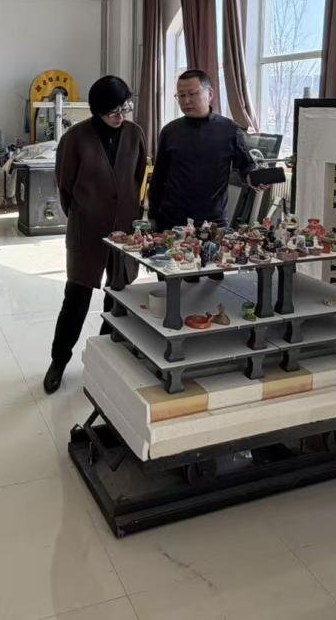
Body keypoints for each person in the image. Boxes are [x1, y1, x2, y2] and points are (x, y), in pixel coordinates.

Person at [43, 75, 147, 394]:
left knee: (118, 297)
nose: (121, 116)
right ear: (96, 112)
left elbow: (138, 177)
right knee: (76, 297)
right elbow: (65, 187)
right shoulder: (75, 138)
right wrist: (85, 214)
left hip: (124, 231)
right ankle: (59, 360)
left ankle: (103, 359)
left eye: (125, 108)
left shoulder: (135, 134)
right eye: (113, 112)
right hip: (87, 230)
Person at [148, 69, 258, 230]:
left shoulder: (229, 130)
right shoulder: (170, 131)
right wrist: (153, 216)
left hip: (213, 221)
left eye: (192, 94)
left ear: (210, 94)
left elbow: (246, 165)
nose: (186, 101)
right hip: (172, 220)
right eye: (181, 95)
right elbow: (158, 178)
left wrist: (254, 177)